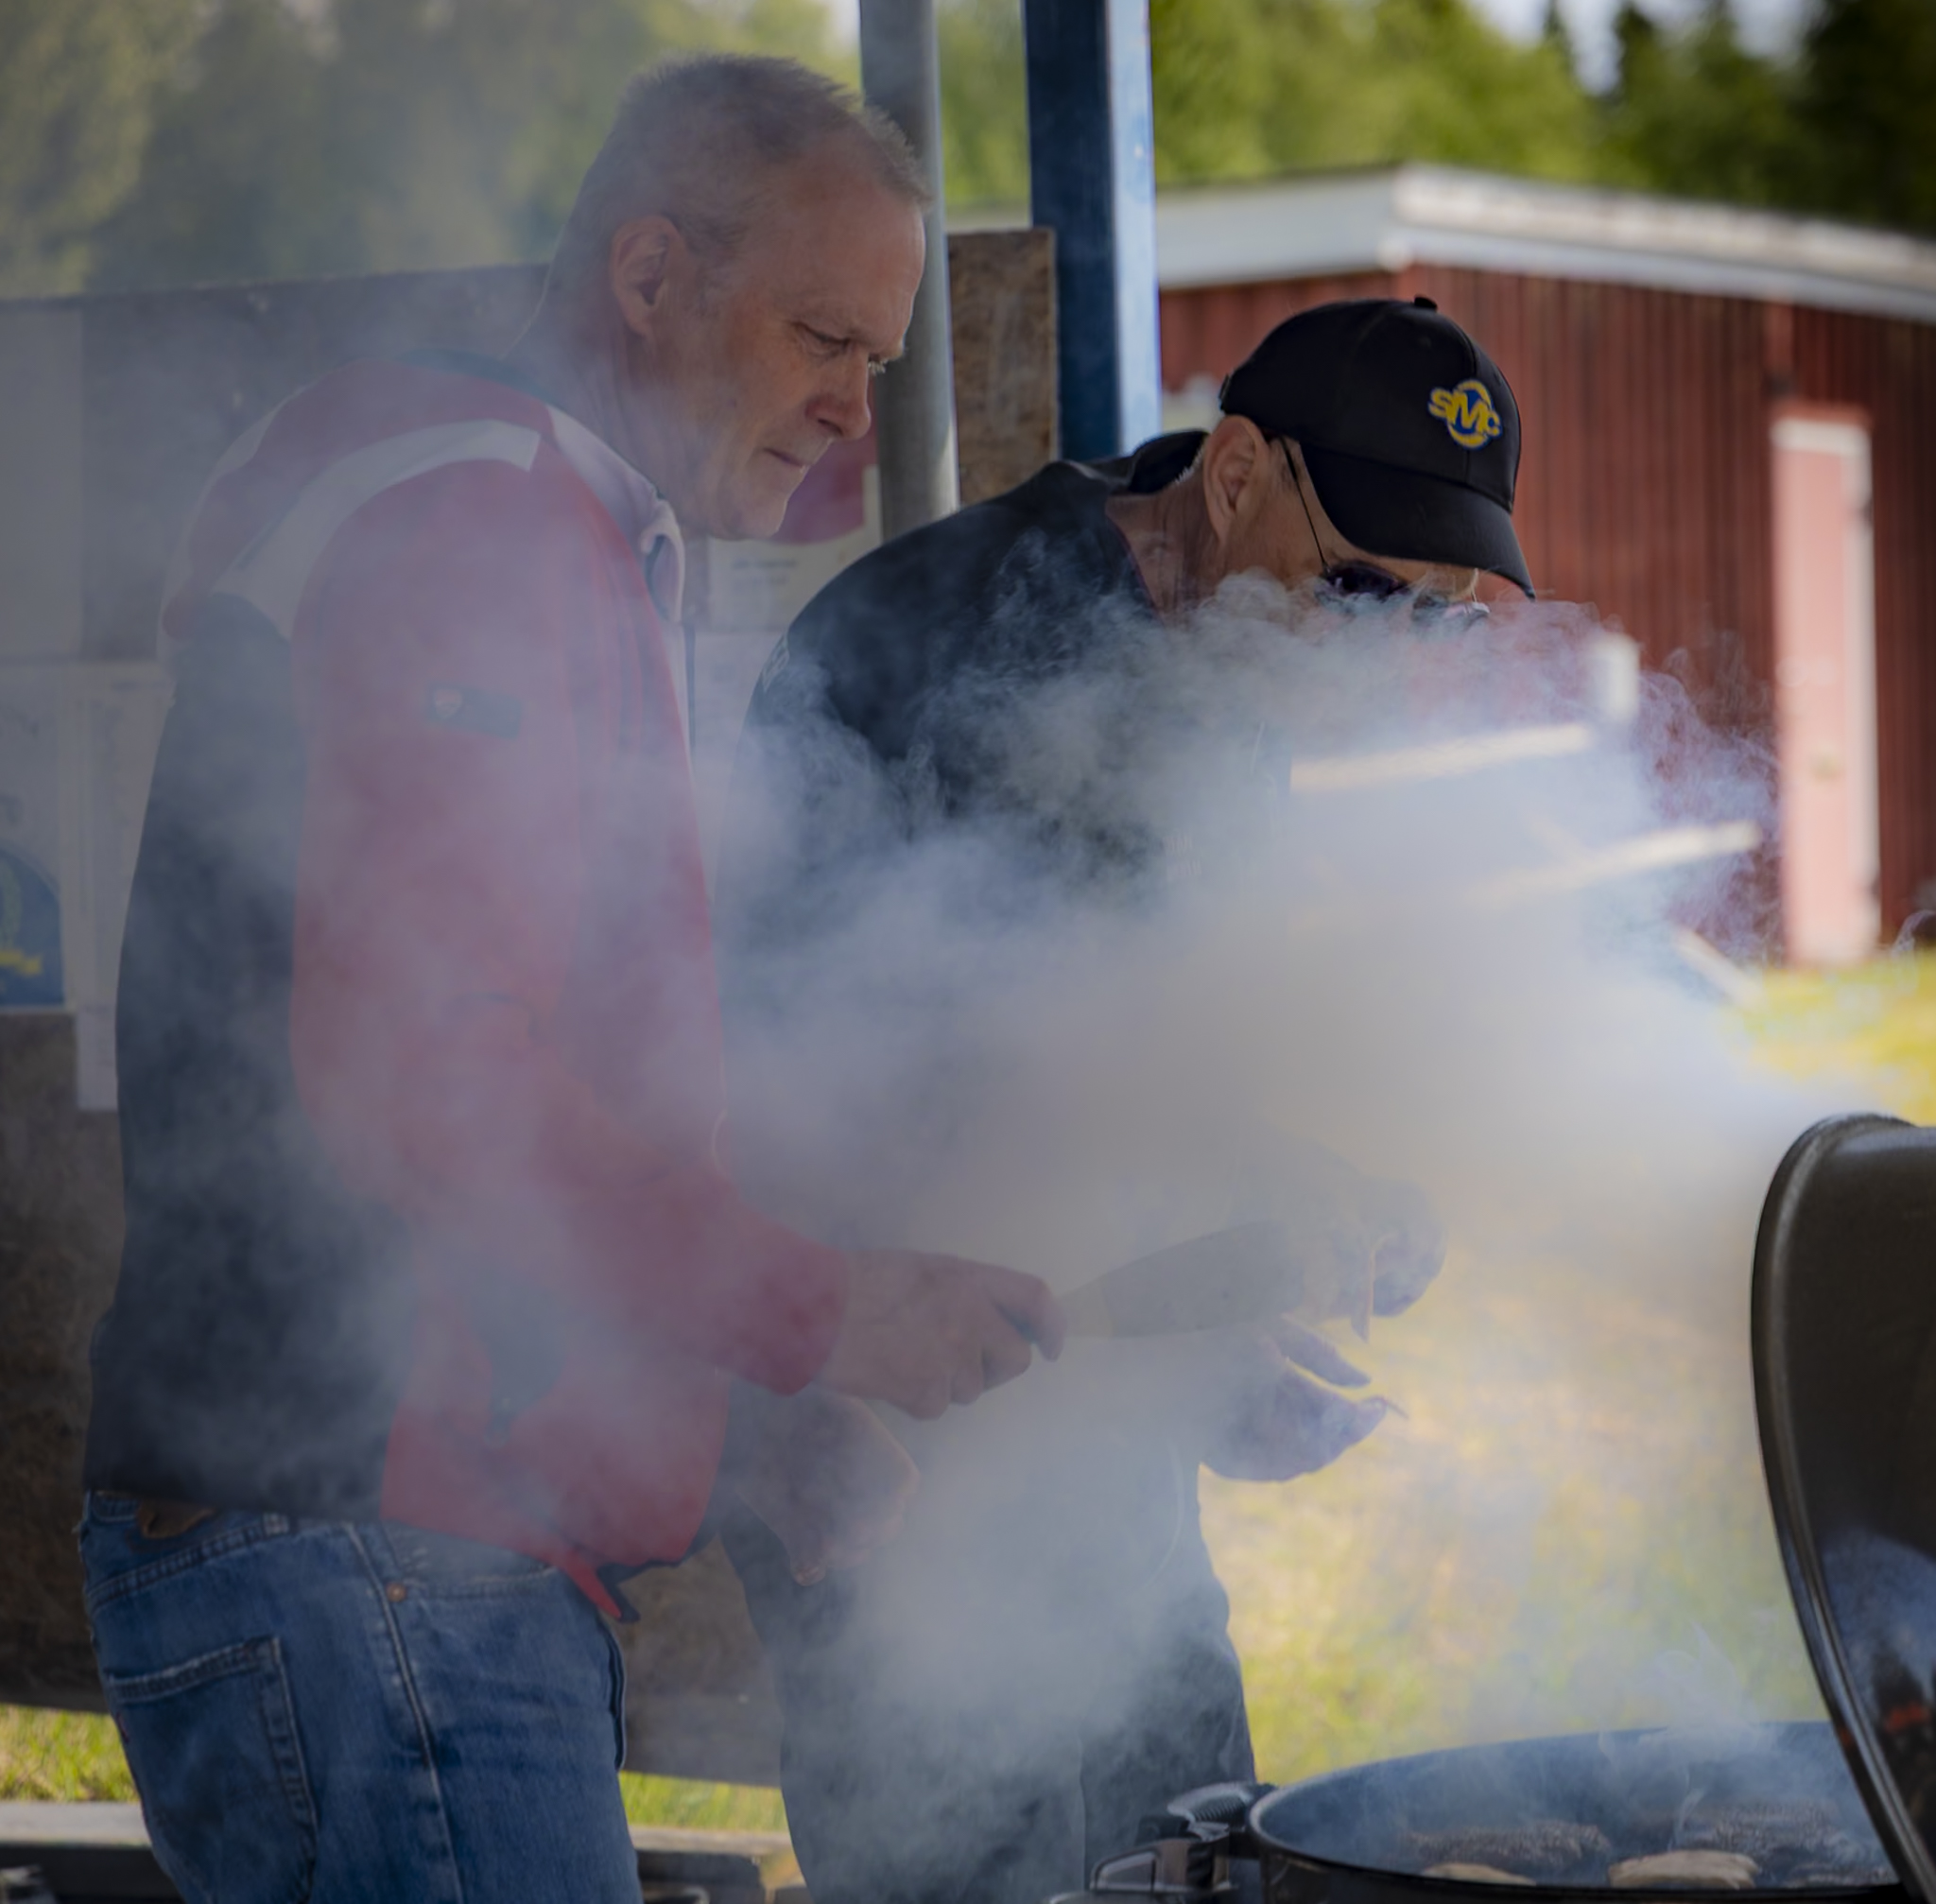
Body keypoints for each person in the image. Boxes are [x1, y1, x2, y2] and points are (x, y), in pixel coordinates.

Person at [78, 55, 1064, 1904]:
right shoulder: (478, 521)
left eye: (878, 357)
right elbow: (431, 1083)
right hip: (379, 1549)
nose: (853, 409)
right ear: (650, 274)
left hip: (381, 1551)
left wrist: (753, 1422)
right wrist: (821, 1311)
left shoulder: (528, 515)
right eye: (822, 337)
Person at [714, 297, 1536, 1904]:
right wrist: (784, 1415)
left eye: (1435, 623)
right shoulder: (940, 640)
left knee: (1195, 1854)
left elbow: (1125, 1067)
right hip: (898, 1449)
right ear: (1235, 473)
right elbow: (786, 1080)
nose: (1383, 652)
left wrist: (1231, 1286)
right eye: (1365, 591)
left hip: (1095, 1436)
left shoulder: (1237, 642)